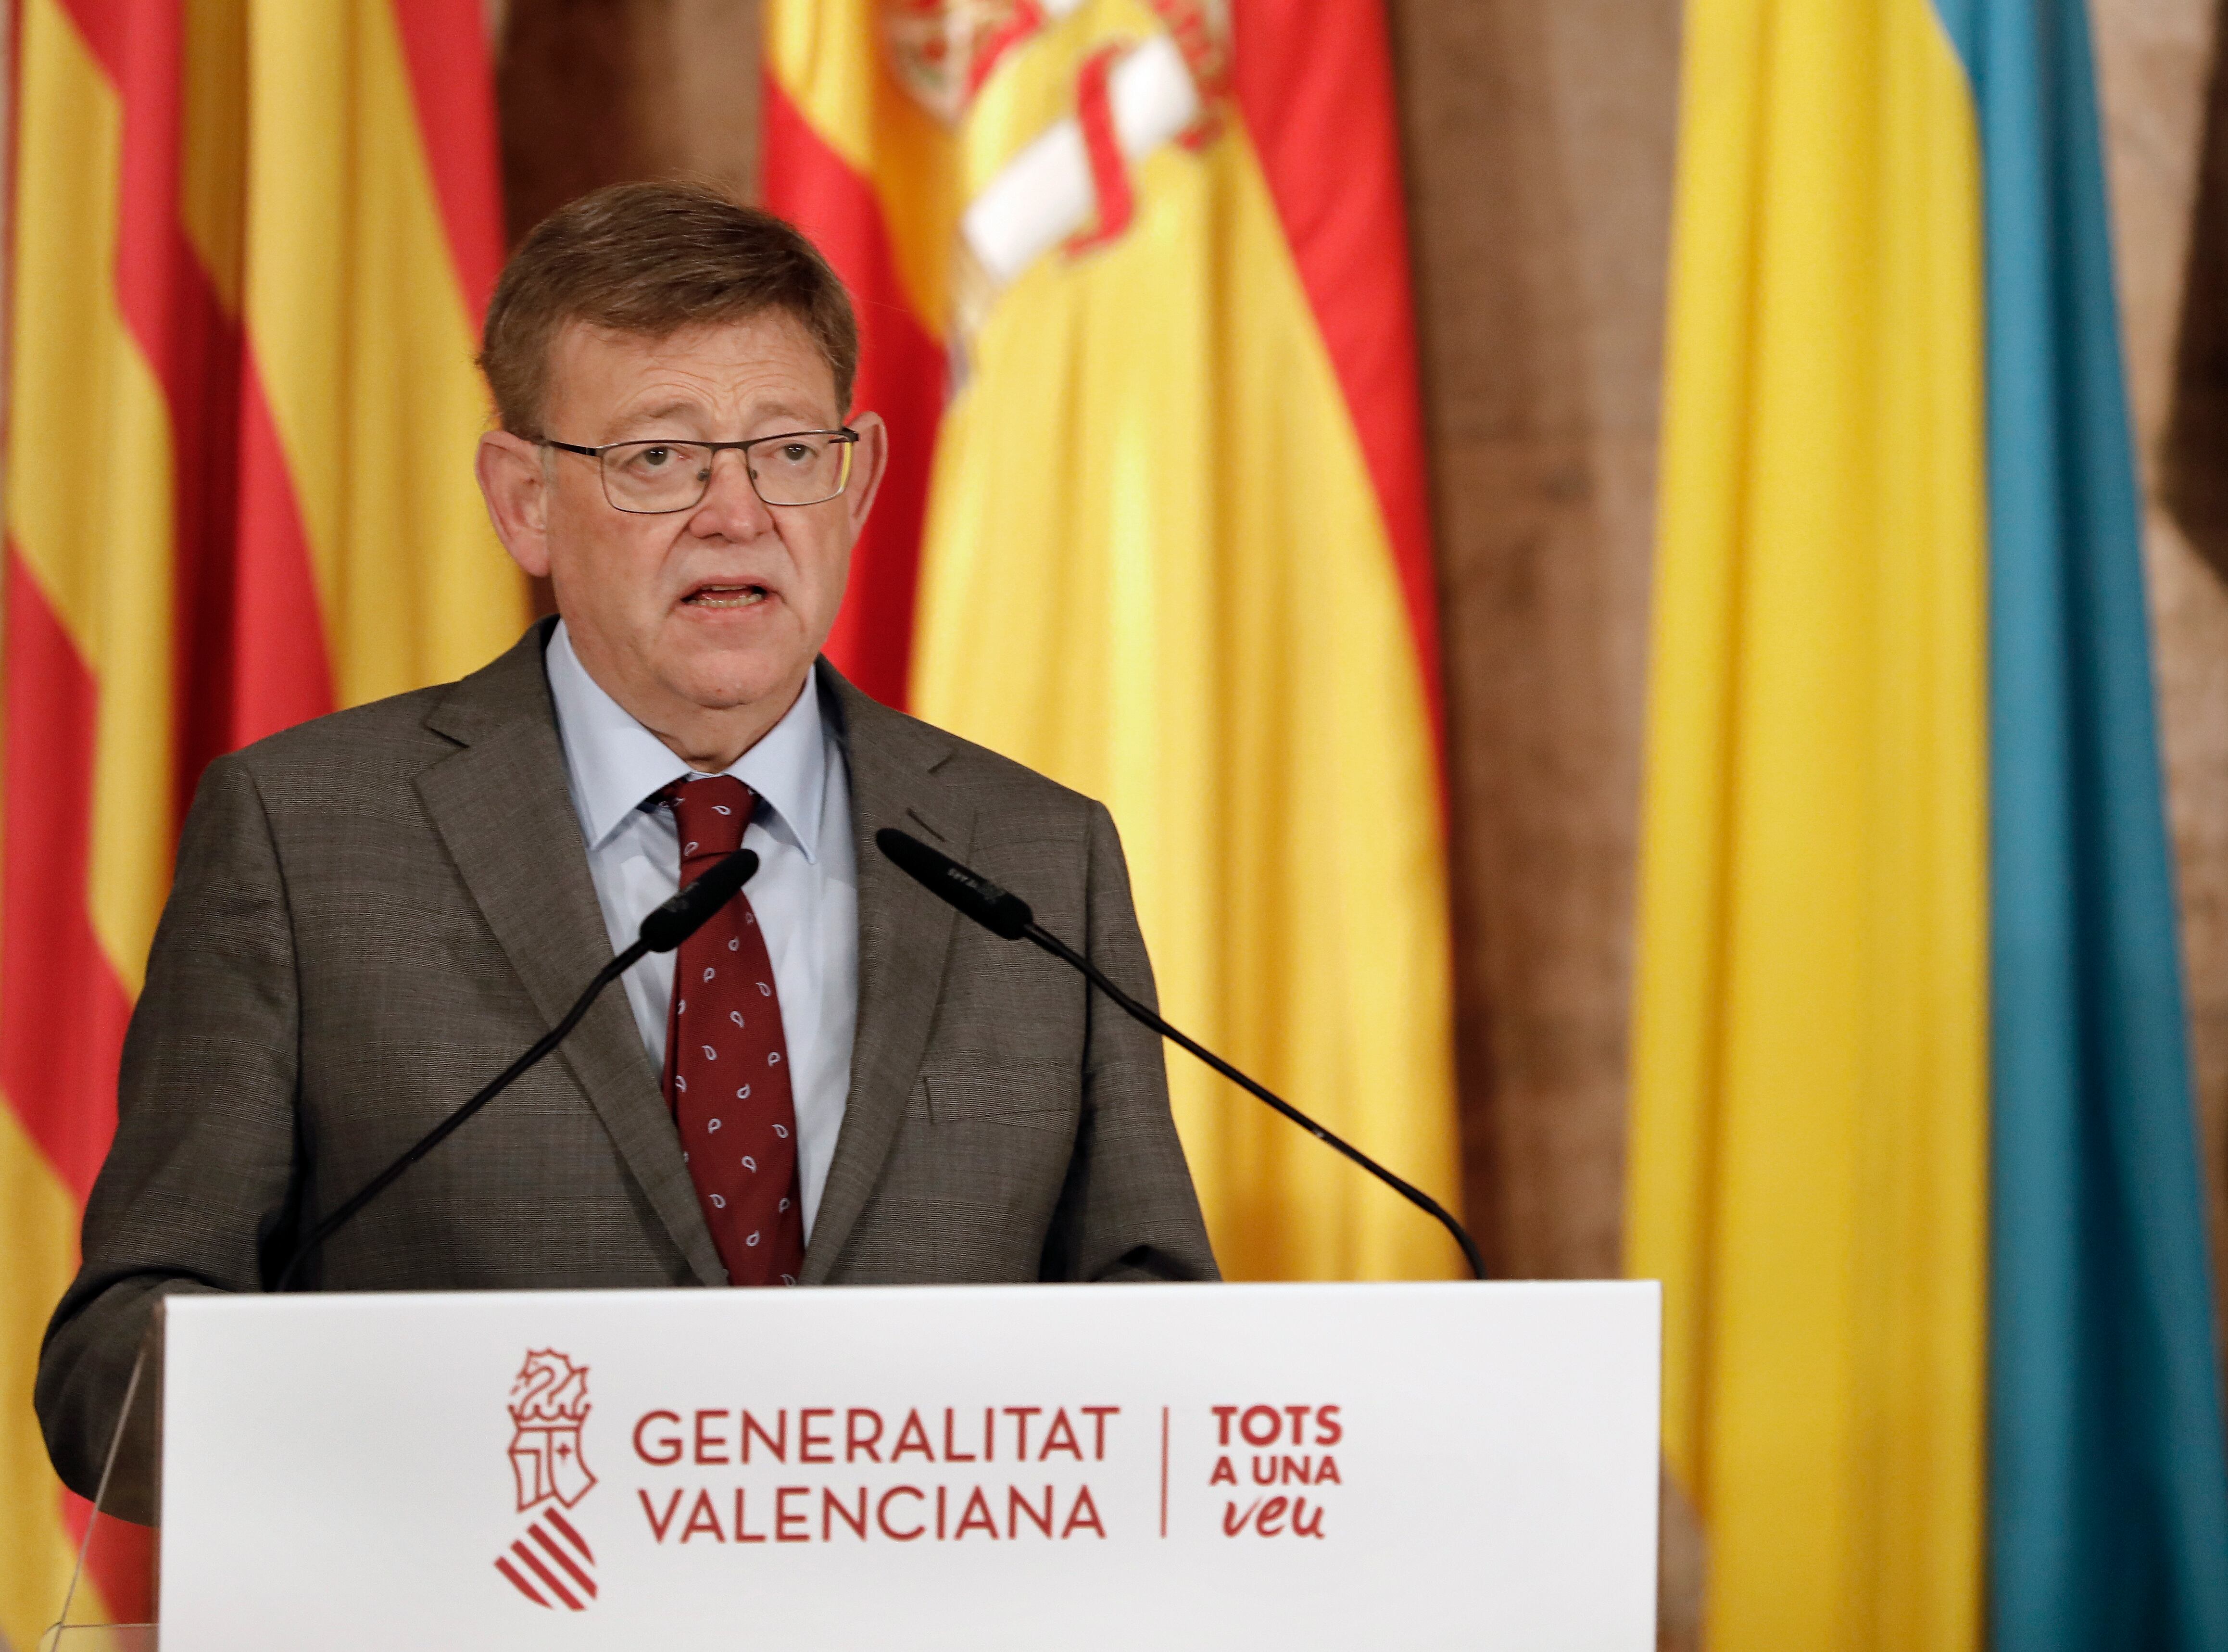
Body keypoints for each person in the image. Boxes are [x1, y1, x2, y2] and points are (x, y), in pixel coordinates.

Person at [38, 181, 1216, 1501]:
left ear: (858, 476)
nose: (735, 512)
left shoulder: (1036, 858)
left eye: (785, 451)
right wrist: (415, 1434)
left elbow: (1154, 1330)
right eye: (660, 457)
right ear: (524, 497)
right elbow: (111, 1373)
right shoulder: (308, 841)